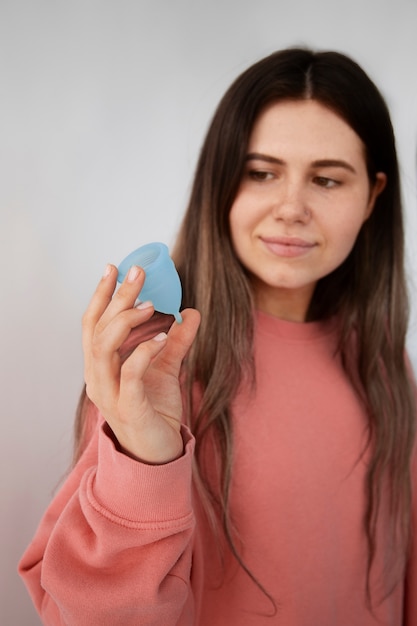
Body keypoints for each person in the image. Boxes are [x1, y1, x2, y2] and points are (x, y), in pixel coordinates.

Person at [19, 47, 417, 625]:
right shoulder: (156, 365)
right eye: (261, 173)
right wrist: (143, 461)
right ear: (219, 182)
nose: (291, 208)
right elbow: (86, 616)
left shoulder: (385, 367)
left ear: (373, 197)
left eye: (327, 179)